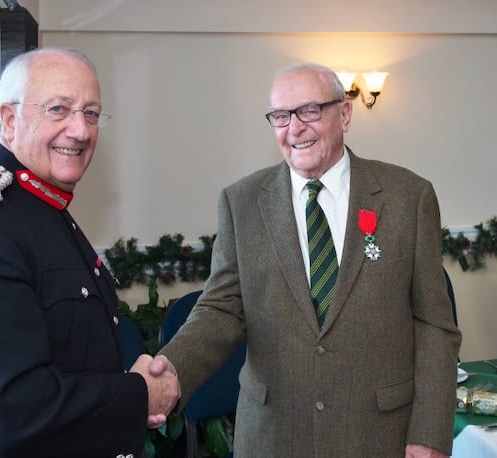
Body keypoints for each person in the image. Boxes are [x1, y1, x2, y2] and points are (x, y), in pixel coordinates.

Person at [155, 63, 461, 457]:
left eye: (310, 110)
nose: (294, 127)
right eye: (281, 116)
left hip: (380, 435)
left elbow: (435, 326)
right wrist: (168, 372)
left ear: (345, 114)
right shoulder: (241, 202)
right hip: (273, 435)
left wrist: (429, 433)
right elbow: (220, 309)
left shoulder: (408, 197)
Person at [0, 47, 180, 458]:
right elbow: (13, 411)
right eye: (58, 110)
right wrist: (138, 396)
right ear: (9, 121)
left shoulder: (44, 214)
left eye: (91, 113)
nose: (80, 130)